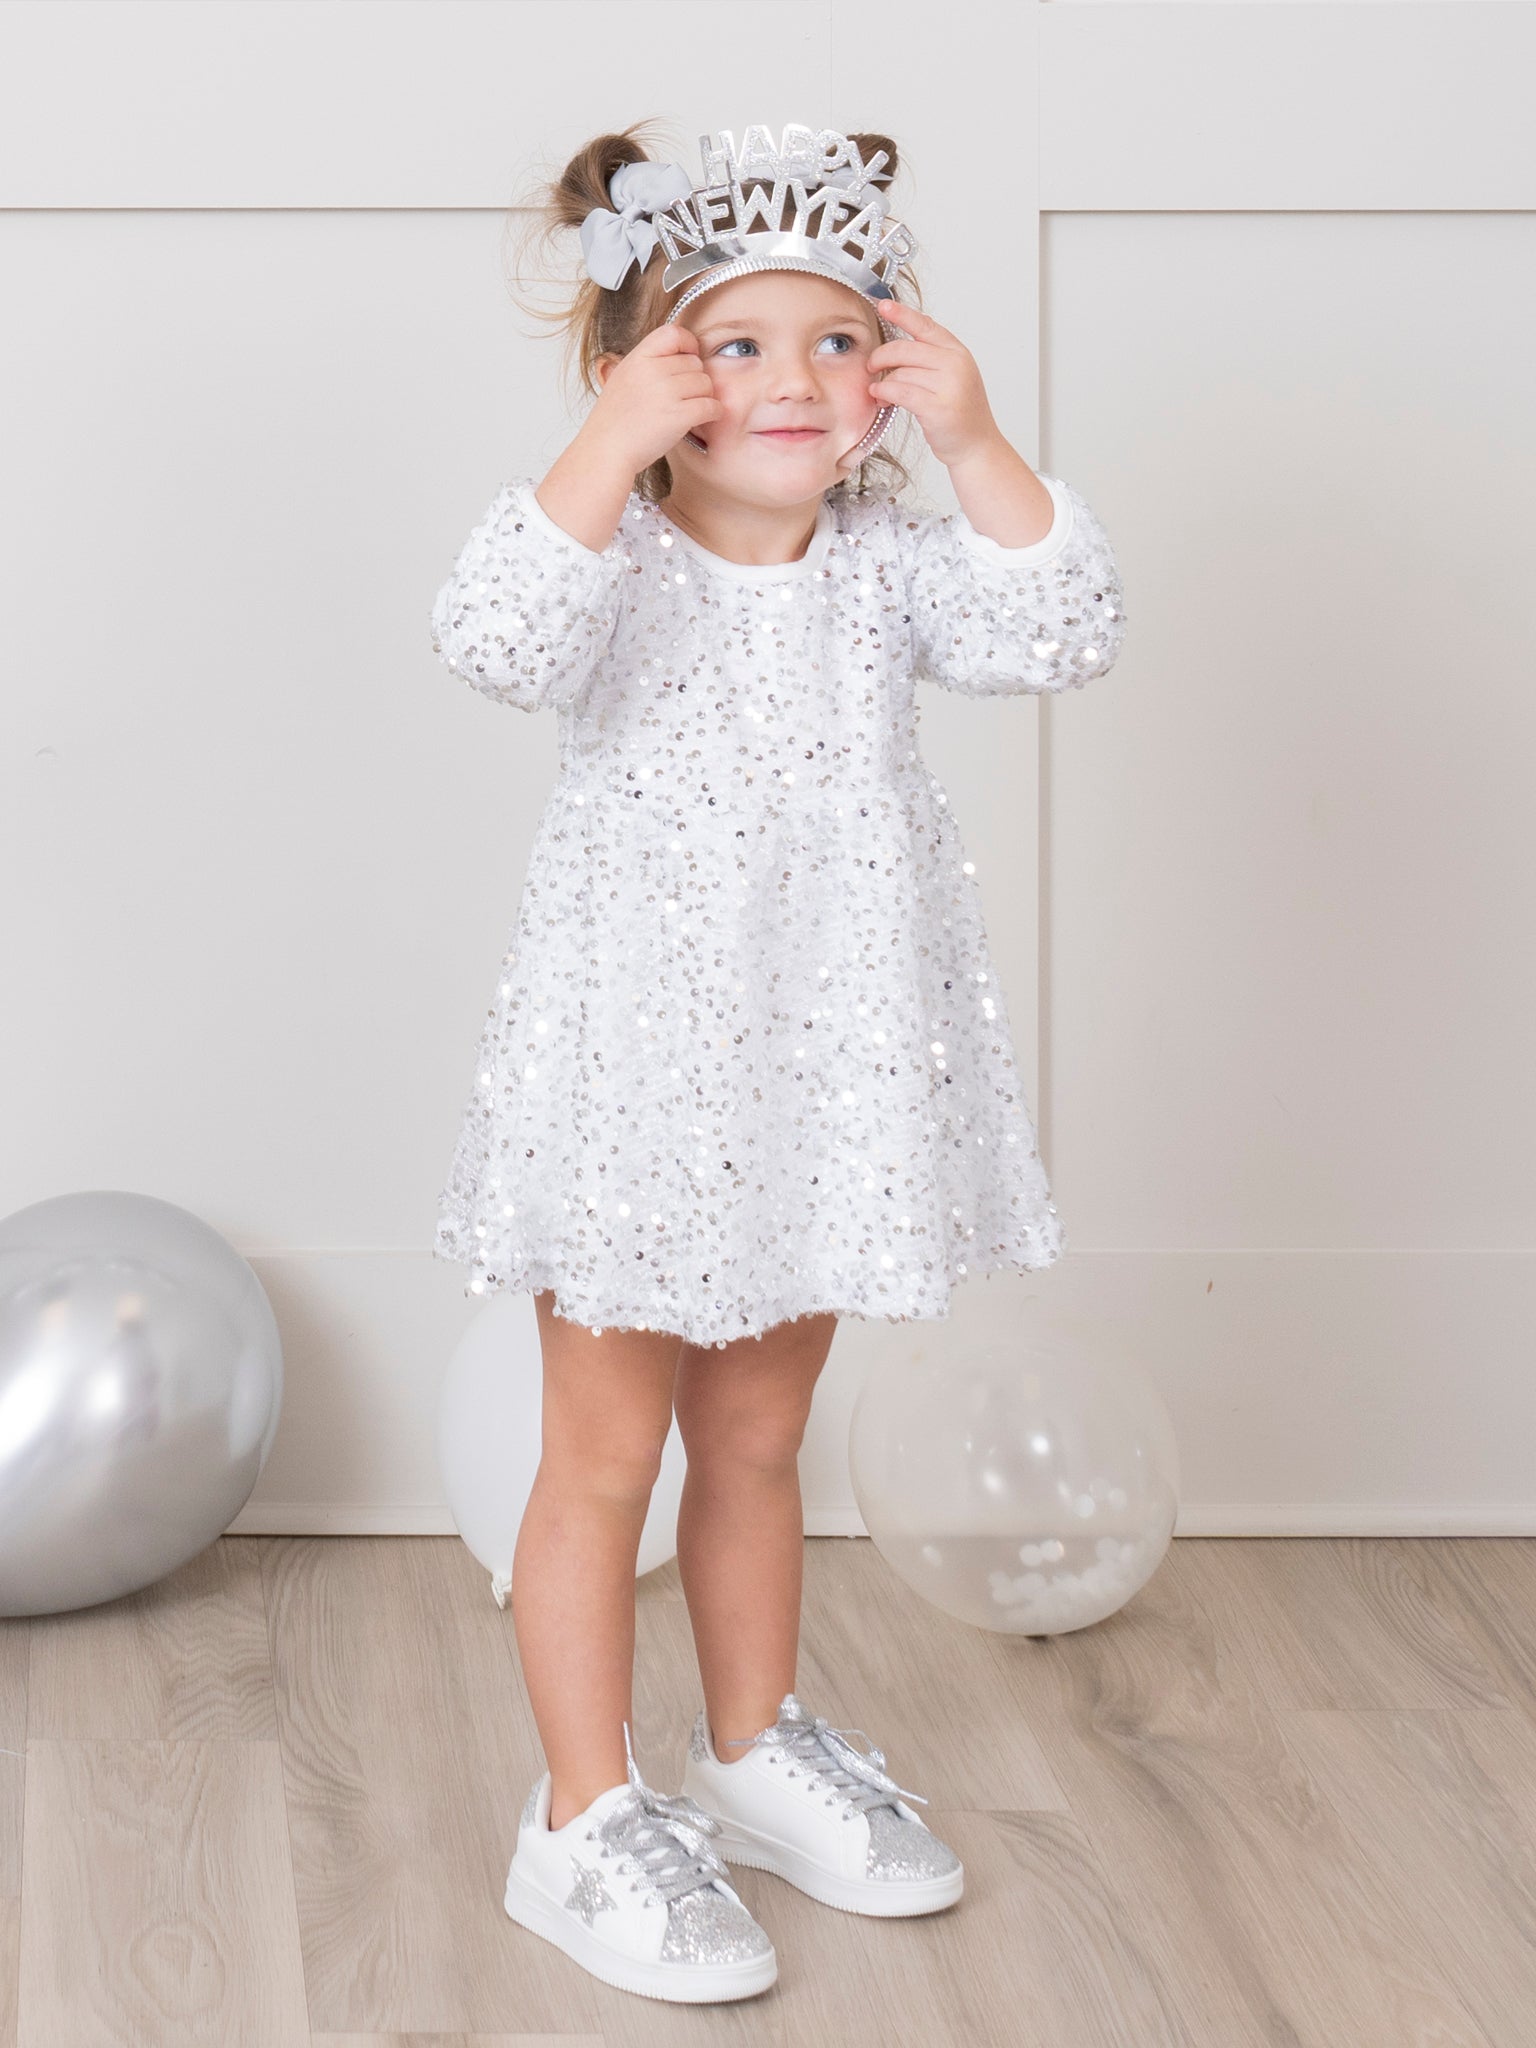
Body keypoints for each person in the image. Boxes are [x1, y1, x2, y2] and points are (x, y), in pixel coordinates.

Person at [428, 120, 1128, 2004]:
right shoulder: (615, 559)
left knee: (755, 1441)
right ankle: (583, 1816)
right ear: (644, 368)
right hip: (640, 1084)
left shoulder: (888, 562)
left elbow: (1062, 626)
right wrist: (605, 441)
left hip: (821, 1083)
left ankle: (750, 1747)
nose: (795, 382)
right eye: (735, 346)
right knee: (607, 1457)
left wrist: (978, 441)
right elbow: (492, 634)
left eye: (839, 341)